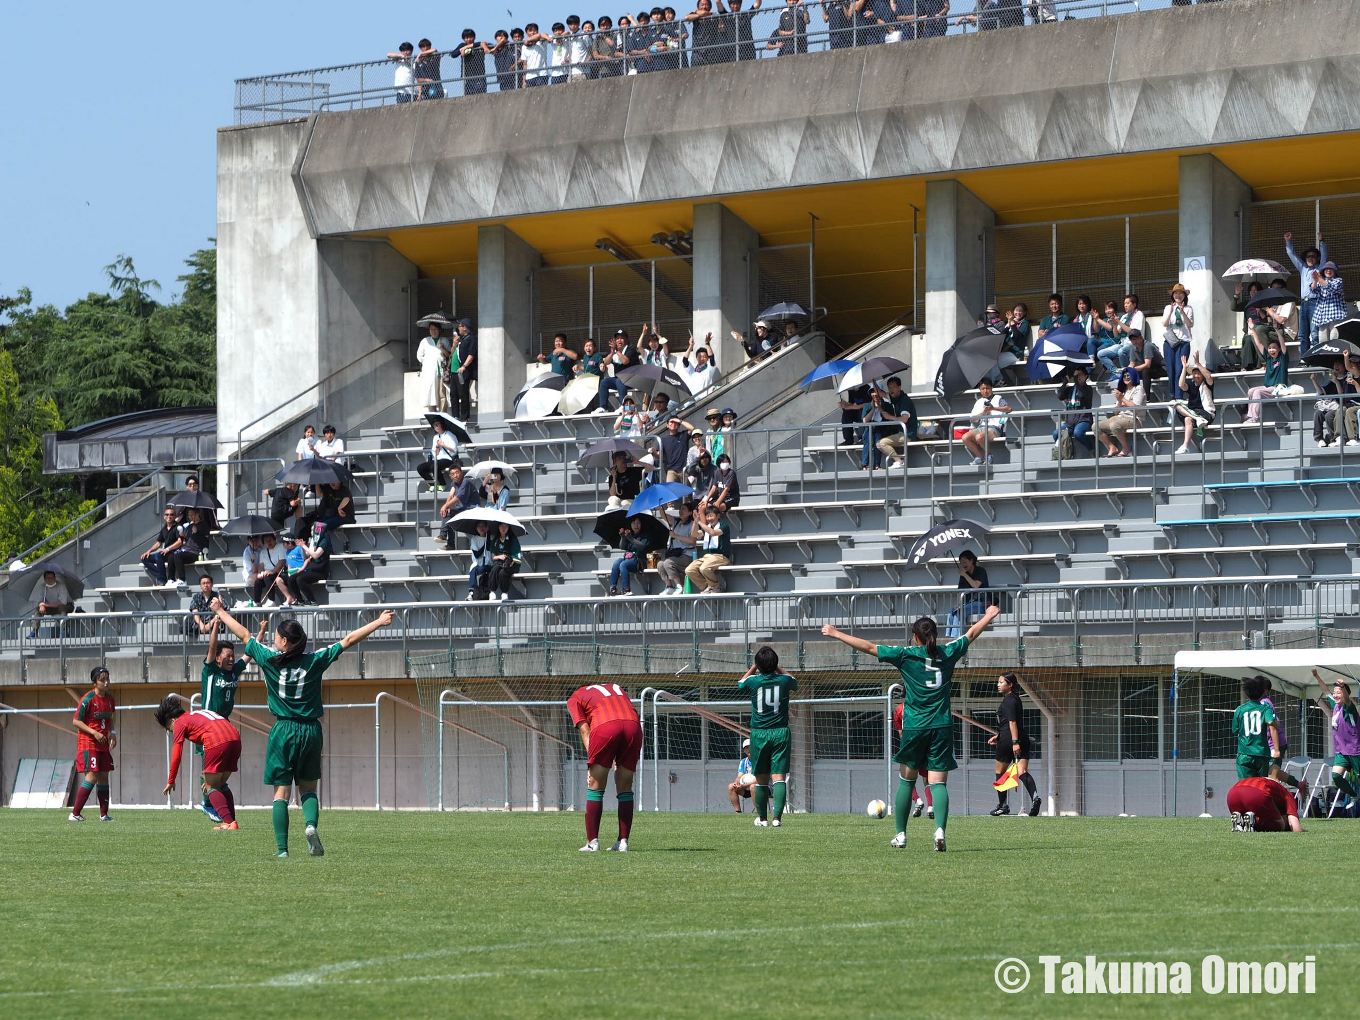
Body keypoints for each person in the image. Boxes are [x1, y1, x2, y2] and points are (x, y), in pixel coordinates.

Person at [212, 599, 395, 857]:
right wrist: (378, 621)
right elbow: (349, 640)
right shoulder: (314, 660)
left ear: (284, 641)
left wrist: (220, 611)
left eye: (276, 636)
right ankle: (310, 825)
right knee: (308, 789)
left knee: (281, 794)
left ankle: (283, 850)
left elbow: (243, 634)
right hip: (311, 731)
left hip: (283, 730)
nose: (273, 639)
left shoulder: (270, 659)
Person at [823, 604, 1001, 852]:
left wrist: (837, 633)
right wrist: (989, 615)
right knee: (938, 784)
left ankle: (901, 835)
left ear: (915, 637)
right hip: (941, 725)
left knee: (906, 781)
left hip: (915, 726)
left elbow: (870, 648)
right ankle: (939, 830)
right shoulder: (948, 651)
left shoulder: (906, 654)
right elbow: (970, 634)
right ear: (935, 635)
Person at [567, 680, 644, 852]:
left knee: (596, 786)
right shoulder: (616, 686)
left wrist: (592, 763)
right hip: (633, 726)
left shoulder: (575, 698)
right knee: (624, 786)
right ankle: (623, 842)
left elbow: (586, 731)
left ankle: (592, 843)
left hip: (606, 727)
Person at [157, 693, 244, 831]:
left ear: (171, 720)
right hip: (235, 738)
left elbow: (177, 753)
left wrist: (171, 779)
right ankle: (230, 822)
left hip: (217, 741)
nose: (172, 731)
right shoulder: (197, 714)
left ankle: (229, 823)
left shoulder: (179, 722)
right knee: (220, 784)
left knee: (211, 787)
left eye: (169, 729)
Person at [737, 646, 798, 827]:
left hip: (760, 733)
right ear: (776, 663)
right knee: (778, 777)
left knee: (761, 778)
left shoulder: (754, 681)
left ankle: (763, 819)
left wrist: (754, 667)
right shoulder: (784, 681)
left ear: (758, 664)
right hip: (780, 732)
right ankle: (777, 819)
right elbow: (794, 680)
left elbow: (741, 683)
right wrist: (777, 667)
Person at [69, 666, 117, 822]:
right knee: (92, 776)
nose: (106, 682)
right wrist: (94, 732)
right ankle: (75, 813)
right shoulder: (87, 699)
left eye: (107, 678)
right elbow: (76, 721)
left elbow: (111, 718)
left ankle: (104, 815)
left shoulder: (110, 699)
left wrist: (113, 734)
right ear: (94, 683)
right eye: (102, 679)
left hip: (103, 744)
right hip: (88, 743)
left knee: (104, 775)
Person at [989, 671, 1040, 816]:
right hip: (1020, 737)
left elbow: (1012, 722)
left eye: (1001, 682)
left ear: (1010, 685)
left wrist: (1013, 742)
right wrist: (998, 736)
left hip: (1010, 740)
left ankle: (1002, 806)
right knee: (1022, 772)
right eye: (998, 682)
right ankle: (1035, 797)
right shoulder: (1016, 699)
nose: (998, 685)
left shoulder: (1009, 700)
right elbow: (1010, 723)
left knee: (1000, 772)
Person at [1315, 669, 1360, 808]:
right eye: (1335, 692)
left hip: (1355, 751)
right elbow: (1326, 690)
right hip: (1342, 752)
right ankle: (1354, 795)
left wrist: (1342, 687)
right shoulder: (1335, 706)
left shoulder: (1349, 708)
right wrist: (1317, 676)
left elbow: (1346, 698)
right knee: (1336, 776)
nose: (1335, 695)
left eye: (1338, 692)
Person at [1284, 231, 1329, 354]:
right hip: (1303, 304)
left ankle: (1316, 358)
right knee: (1303, 334)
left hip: (1316, 303)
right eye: (1308, 256)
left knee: (1315, 333)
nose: (1310, 258)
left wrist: (1321, 242)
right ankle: (1304, 359)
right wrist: (1288, 242)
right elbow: (1291, 255)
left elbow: (1325, 256)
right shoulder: (1303, 267)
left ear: (1317, 258)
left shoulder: (1321, 267)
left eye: (1313, 256)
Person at [1226, 775, 1304, 833]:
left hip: (1233, 793)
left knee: (1252, 816)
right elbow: (1296, 828)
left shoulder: (1264, 781)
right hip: (1256, 792)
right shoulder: (1288, 795)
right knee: (1281, 825)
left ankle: (1240, 821)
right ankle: (1249, 823)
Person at [1097, 366, 1146, 458]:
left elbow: (1137, 408)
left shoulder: (1138, 389)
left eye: (1129, 376)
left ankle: (1126, 448)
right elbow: (1116, 412)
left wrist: (1122, 398)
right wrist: (1119, 401)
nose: (1126, 377)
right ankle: (1112, 447)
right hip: (1120, 417)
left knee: (1114, 425)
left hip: (1134, 418)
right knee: (1095, 426)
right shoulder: (1123, 390)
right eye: (1124, 376)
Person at [1171, 351, 1215, 455]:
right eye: (1195, 373)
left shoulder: (1207, 384)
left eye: (1199, 373)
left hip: (1206, 413)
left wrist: (1198, 363)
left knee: (1187, 419)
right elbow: (1181, 385)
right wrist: (1184, 368)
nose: (1197, 375)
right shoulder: (1191, 384)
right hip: (1194, 414)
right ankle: (1196, 419)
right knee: (1177, 405)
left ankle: (1185, 446)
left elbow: (1208, 376)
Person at [685, 500, 731, 594]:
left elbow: (713, 533)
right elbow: (694, 534)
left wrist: (700, 523)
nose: (709, 518)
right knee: (689, 570)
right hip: (708, 556)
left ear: (718, 516)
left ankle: (716, 587)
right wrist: (695, 522)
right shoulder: (707, 528)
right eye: (707, 516)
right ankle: (707, 587)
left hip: (721, 556)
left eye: (711, 516)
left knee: (704, 568)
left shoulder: (724, 526)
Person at [961, 380, 1010, 466]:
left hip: (995, 428)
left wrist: (993, 408)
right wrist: (983, 413)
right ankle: (980, 457)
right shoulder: (979, 402)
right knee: (965, 437)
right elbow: (972, 420)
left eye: (987, 388)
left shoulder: (998, 398)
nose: (985, 391)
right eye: (983, 389)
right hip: (982, 427)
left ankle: (989, 455)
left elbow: (1009, 409)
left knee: (979, 437)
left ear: (992, 388)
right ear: (980, 390)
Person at [874, 376, 918, 471]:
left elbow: (904, 419)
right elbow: (881, 394)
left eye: (893, 387)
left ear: (899, 387)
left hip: (908, 434)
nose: (891, 390)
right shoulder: (896, 398)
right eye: (889, 387)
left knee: (880, 443)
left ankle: (899, 461)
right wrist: (873, 381)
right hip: (901, 433)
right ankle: (898, 461)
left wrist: (890, 417)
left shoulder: (904, 400)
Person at [946, 549, 993, 637]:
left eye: (964, 561)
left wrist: (964, 575)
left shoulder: (980, 571)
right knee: (951, 611)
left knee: (960, 612)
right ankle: (949, 636)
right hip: (968, 603)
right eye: (961, 563)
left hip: (981, 602)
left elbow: (976, 585)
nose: (963, 565)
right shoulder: (964, 576)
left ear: (971, 560)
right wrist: (959, 604)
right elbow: (960, 591)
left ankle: (957, 637)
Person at [1243, 336, 1289, 425]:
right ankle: (1251, 415)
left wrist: (1277, 330)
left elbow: (1283, 344)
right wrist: (1253, 329)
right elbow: (1259, 344)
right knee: (1251, 391)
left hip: (1279, 387)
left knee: (1258, 392)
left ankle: (1255, 417)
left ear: (1279, 349)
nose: (1272, 350)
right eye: (1270, 348)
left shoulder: (1282, 358)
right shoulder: (1268, 359)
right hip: (1268, 386)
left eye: (1274, 348)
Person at [282, 525, 332, 606]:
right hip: (312, 569)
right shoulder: (314, 541)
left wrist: (304, 546)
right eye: (311, 530)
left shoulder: (324, 541)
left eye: (313, 530)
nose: (311, 533)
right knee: (291, 579)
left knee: (300, 579)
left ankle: (311, 600)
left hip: (321, 571)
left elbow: (315, 555)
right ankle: (299, 599)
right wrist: (302, 548)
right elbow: (307, 556)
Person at [1162, 284, 1195, 401]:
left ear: (1184, 295)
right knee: (1170, 370)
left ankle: (1179, 395)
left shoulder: (1188, 308)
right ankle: (1172, 395)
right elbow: (1165, 324)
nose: (1178, 295)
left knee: (1180, 369)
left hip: (1183, 343)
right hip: (1170, 343)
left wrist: (1183, 312)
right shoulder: (1168, 308)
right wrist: (1171, 311)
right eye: (1176, 293)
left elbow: (1190, 324)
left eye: (1181, 293)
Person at [1053, 366, 1095, 455]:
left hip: (1084, 420)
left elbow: (1081, 395)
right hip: (1070, 423)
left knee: (1078, 433)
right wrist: (1065, 382)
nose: (1078, 377)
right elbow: (1060, 396)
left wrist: (1075, 379)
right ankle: (1066, 450)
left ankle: (1091, 449)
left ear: (1086, 376)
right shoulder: (1070, 389)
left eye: (1080, 375)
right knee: (1056, 433)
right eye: (1076, 375)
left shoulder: (1088, 389)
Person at [658, 501, 697, 595]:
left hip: (687, 555)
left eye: (683, 509)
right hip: (675, 554)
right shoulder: (676, 522)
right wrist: (660, 507)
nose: (680, 511)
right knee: (660, 564)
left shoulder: (693, 524)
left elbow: (692, 541)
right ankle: (669, 586)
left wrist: (676, 535)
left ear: (690, 512)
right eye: (680, 509)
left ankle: (679, 586)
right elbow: (664, 516)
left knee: (668, 562)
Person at [437, 463, 482, 545]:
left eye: (457, 472)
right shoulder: (454, 484)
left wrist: (445, 506)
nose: (456, 475)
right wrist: (446, 508)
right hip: (462, 511)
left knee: (449, 512)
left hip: (472, 511)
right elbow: (451, 495)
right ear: (451, 476)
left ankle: (445, 537)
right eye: (453, 474)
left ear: (461, 472)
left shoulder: (466, 482)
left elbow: (458, 497)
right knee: (448, 513)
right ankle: (446, 540)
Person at [608, 516, 653, 596]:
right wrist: (623, 537)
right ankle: (613, 587)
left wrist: (631, 539)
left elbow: (642, 547)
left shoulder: (645, 535)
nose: (636, 525)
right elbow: (622, 547)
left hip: (640, 561)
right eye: (633, 523)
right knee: (617, 562)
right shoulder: (629, 534)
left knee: (623, 564)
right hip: (629, 559)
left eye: (638, 523)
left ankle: (626, 589)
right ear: (630, 525)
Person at [140, 507, 182, 586]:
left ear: (175, 516)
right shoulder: (164, 529)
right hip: (165, 552)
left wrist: (168, 549)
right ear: (164, 516)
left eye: (171, 515)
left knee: (159, 555)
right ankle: (161, 577)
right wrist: (148, 551)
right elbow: (158, 543)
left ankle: (162, 580)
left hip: (174, 552)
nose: (169, 516)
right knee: (144, 558)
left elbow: (180, 542)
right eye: (167, 514)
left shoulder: (178, 527)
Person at [168, 508, 209, 584]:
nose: (191, 516)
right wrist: (182, 535)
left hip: (196, 552)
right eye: (189, 515)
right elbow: (186, 540)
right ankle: (171, 579)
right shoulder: (189, 526)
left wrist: (197, 533)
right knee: (171, 556)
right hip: (186, 550)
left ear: (198, 514)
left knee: (178, 556)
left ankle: (182, 579)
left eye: (193, 514)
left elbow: (204, 540)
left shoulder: (203, 525)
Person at [418, 419, 460, 490]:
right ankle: (432, 484)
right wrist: (438, 446)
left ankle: (442, 484)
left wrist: (443, 444)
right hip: (438, 458)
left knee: (434, 466)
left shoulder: (449, 435)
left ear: (442, 424)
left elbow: (454, 450)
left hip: (448, 459)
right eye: (434, 425)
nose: (436, 426)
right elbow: (435, 453)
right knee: (420, 468)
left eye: (438, 424)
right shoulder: (436, 437)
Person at [416, 320, 449, 412]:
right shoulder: (425, 341)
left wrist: (442, 348)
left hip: (441, 371)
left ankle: (443, 413)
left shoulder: (444, 340)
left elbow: (448, 355)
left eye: (435, 329)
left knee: (442, 393)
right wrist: (427, 362)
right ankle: (433, 415)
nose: (433, 331)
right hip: (429, 372)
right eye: (431, 329)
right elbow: (419, 356)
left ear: (439, 330)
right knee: (430, 393)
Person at [993, 303, 1030, 385]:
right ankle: (998, 380)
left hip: (1016, 353)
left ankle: (997, 381)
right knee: (993, 358)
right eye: (1016, 311)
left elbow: (1017, 336)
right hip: (1007, 351)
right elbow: (1002, 335)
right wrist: (1008, 325)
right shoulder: (1011, 322)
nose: (1018, 313)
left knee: (997, 360)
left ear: (1024, 313)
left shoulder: (1025, 323)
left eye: (1020, 311)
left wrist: (1012, 323)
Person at [597, 328, 634, 410]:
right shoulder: (615, 351)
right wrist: (612, 352)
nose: (619, 340)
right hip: (619, 380)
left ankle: (624, 407)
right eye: (617, 338)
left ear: (626, 340)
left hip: (631, 379)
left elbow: (625, 361)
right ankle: (603, 407)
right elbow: (606, 362)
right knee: (604, 382)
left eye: (622, 338)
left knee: (619, 380)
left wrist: (617, 350)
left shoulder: (631, 349)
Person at [486, 522, 522, 602]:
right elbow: (493, 557)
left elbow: (516, 555)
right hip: (499, 562)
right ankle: (492, 592)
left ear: (508, 528)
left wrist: (511, 561)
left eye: (506, 526)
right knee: (495, 570)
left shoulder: (513, 539)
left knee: (503, 572)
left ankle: (504, 592)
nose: (503, 528)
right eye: (502, 526)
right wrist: (500, 557)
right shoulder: (495, 540)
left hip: (511, 564)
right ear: (498, 527)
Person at [450, 318, 478, 422]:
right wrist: (454, 344)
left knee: (463, 393)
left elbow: (471, 354)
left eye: (460, 326)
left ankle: (465, 416)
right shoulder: (460, 340)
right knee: (453, 394)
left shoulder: (471, 339)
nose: (458, 328)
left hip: (462, 371)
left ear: (465, 328)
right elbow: (451, 354)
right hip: (453, 371)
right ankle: (455, 415)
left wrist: (464, 366)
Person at [455, 29, 489, 95]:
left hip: (479, 75)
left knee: (481, 94)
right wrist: (463, 50)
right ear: (464, 39)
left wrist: (467, 47)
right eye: (466, 38)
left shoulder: (479, 46)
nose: (469, 39)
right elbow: (453, 54)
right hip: (467, 75)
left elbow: (486, 44)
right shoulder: (462, 45)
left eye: (470, 37)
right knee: (468, 94)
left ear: (474, 37)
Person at [466, 521, 493, 600]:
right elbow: (477, 554)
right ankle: (471, 592)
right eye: (479, 526)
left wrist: (488, 540)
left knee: (482, 569)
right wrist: (484, 544)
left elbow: (490, 549)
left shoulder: (491, 538)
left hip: (489, 563)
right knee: (475, 569)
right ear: (476, 528)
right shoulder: (474, 539)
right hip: (478, 563)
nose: (481, 528)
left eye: (483, 526)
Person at [727, 738, 754, 812]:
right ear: (744, 750)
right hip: (746, 787)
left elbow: (760, 779)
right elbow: (739, 776)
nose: (749, 749)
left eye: (750, 747)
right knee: (731, 786)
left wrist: (745, 785)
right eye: (746, 748)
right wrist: (736, 782)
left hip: (762, 787)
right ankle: (738, 812)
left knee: (753, 786)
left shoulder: (761, 760)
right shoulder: (743, 762)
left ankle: (758, 813)